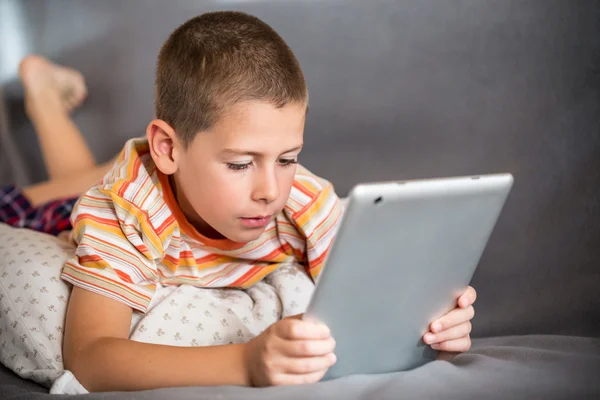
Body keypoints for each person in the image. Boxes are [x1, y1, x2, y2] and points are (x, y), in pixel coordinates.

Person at [4, 11, 477, 392]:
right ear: (169, 148)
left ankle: (47, 95)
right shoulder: (123, 213)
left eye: (288, 157)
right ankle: (44, 99)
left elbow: (377, 296)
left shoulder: (302, 200)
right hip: (59, 217)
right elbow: (89, 359)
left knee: (93, 174)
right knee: (65, 191)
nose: (270, 190)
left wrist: (432, 326)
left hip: (163, 170)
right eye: (240, 164)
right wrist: (244, 362)